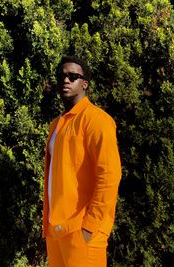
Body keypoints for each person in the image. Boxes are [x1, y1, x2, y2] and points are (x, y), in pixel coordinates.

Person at [42, 55, 122, 267]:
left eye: (72, 76)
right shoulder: (55, 125)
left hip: (82, 232)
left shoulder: (97, 120)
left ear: (84, 83)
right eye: (61, 76)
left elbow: (110, 176)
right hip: (55, 231)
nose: (65, 80)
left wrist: (89, 227)